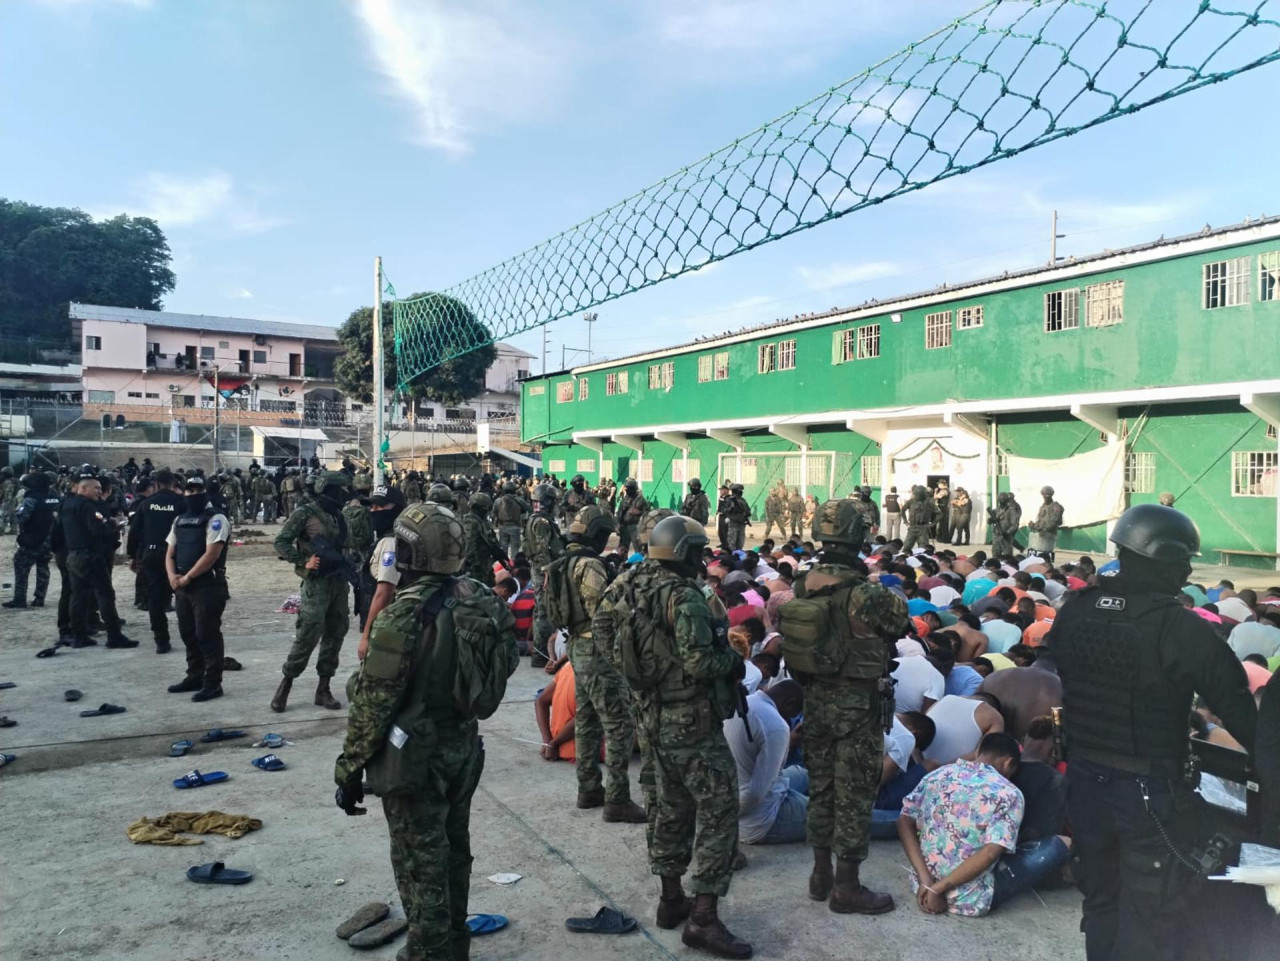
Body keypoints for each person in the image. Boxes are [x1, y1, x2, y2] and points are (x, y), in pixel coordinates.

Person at [1048, 504, 1257, 961]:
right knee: (1150, 911)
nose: (1187, 571)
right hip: (1148, 796)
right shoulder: (1180, 627)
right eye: (1184, 560)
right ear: (1164, 557)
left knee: (1101, 900)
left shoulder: (1076, 611)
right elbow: (1242, 714)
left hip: (1083, 783)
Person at [334, 502, 518, 961]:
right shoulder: (481, 599)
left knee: (421, 865)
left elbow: (373, 702)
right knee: (455, 849)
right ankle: (454, 944)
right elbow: (505, 660)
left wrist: (349, 769)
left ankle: (428, 952)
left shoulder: (402, 616)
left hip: (415, 758)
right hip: (463, 747)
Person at [597, 515, 752, 957]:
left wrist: (640, 673)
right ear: (683, 552)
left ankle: (670, 899)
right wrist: (733, 661)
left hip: (649, 714)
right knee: (719, 810)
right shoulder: (684, 596)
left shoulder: (625, 582)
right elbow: (702, 662)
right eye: (698, 551)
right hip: (691, 720)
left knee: (667, 806)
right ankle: (703, 918)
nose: (702, 559)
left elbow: (604, 629)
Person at [779, 499, 909, 914]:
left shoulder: (803, 585)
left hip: (815, 701)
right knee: (853, 796)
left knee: (821, 789)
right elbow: (898, 623)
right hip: (857, 704)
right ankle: (847, 887)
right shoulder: (869, 594)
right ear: (858, 536)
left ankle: (820, 875)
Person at [545, 505, 646, 822]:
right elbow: (603, 611)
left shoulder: (561, 564)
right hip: (596, 648)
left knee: (588, 719)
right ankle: (617, 798)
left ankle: (588, 787)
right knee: (619, 725)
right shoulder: (589, 566)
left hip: (576, 645)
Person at [898, 731, 1071, 916]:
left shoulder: (939, 774)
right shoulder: (1009, 793)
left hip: (921, 886)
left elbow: (904, 821)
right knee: (1063, 843)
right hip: (970, 899)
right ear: (1008, 763)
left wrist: (926, 882)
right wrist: (938, 890)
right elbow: (990, 853)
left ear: (978, 751)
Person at [271, 471, 352, 712]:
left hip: (338, 583)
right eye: (340, 491)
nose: (344, 496)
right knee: (308, 633)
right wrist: (303, 561)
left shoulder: (339, 516)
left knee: (336, 632)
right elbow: (281, 542)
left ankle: (323, 688)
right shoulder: (304, 513)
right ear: (329, 491)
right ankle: (286, 683)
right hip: (316, 584)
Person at [164, 475, 231, 701]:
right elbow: (170, 552)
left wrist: (188, 577)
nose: (193, 495)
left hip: (207, 585)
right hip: (183, 586)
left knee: (207, 635)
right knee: (188, 634)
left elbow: (212, 554)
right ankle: (195, 676)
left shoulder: (216, 519)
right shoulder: (180, 520)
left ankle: (213, 684)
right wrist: (173, 577)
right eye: (189, 491)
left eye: (197, 491)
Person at [61, 468, 137, 649]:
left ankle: (79, 635)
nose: (98, 491)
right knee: (105, 594)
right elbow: (97, 529)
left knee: (78, 596)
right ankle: (114, 635)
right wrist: (113, 525)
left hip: (73, 555)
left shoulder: (67, 504)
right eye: (95, 488)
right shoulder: (87, 506)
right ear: (83, 488)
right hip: (90, 556)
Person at [726, 679, 808, 844]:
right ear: (789, 703)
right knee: (837, 815)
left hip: (741, 797)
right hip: (762, 819)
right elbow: (755, 793)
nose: (789, 720)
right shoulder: (776, 725)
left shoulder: (746, 702)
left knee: (802, 773)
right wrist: (728, 816)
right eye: (792, 715)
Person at [127, 468, 185, 653]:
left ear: (156, 484)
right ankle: (190, 637)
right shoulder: (181, 503)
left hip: (151, 554)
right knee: (183, 595)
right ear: (174, 484)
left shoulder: (146, 504)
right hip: (176, 554)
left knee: (154, 598)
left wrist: (132, 556)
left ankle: (161, 641)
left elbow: (135, 531)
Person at [355, 485, 406, 662]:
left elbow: (384, 592)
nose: (374, 511)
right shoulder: (395, 537)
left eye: (380, 506)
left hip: (387, 627)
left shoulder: (390, 543)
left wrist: (366, 637)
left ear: (396, 509)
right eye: (372, 506)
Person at [523, 482, 564, 668]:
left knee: (541, 610)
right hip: (543, 571)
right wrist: (547, 572)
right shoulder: (541, 522)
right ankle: (541, 654)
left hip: (539, 570)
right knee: (544, 612)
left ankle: (540, 653)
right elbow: (541, 550)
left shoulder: (534, 518)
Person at [4, 471, 59, 610]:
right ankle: (40, 598)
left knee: (21, 566)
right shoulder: (54, 497)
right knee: (43, 567)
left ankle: (20, 599)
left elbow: (22, 518)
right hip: (48, 539)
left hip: (32, 538)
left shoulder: (31, 498)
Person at [921, 693, 1005, 767]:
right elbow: (985, 757)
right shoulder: (993, 715)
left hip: (919, 766)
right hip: (949, 774)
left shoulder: (943, 699)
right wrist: (941, 769)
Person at [461, 492, 504, 587]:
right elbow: (469, 547)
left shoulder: (482, 521)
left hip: (485, 563)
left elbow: (490, 539)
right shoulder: (471, 522)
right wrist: (476, 566)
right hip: (476, 567)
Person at [1027, 486, 1064, 561]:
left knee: (1044, 558)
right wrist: (1034, 525)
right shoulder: (1043, 506)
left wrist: (1044, 529)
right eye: (1044, 495)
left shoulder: (1055, 506)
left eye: (1047, 495)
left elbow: (1054, 521)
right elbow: (1040, 520)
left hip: (1048, 535)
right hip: (1039, 535)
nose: (1045, 497)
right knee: (1035, 557)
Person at [493, 481, 527, 559]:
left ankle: (504, 567)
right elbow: (528, 509)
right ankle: (514, 567)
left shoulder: (498, 501)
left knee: (503, 549)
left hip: (502, 526)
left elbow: (494, 512)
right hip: (515, 526)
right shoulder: (519, 500)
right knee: (515, 550)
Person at [615, 477, 649, 554]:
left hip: (635, 526)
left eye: (628, 488)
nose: (626, 490)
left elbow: (647, 513)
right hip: (624, 526)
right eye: (626, 488)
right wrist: (618, 523)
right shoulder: (625, 499)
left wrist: (639, 512)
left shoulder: (641, 499)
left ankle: (639, 563)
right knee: (622, 548)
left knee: (638, 547)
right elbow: (620, 512)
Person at [901, 486, 937, 554]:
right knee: (906, 547)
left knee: (923, 549)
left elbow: (939, 513)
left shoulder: (929, 502)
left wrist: (933, 523)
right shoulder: (911, 502)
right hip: (912, 527)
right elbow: (902, 511)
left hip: (923, 528)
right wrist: (905, 521)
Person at [721, 483, 750, 552]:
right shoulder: (729, 500)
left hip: (741, 524)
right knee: (732, 543)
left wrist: (745, 512)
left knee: (740, 543)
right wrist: (731, 508)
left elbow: (748, 511)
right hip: (733, 524)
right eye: (740, 490)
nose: (741, 492)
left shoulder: (743, 500)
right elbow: (724, 511)